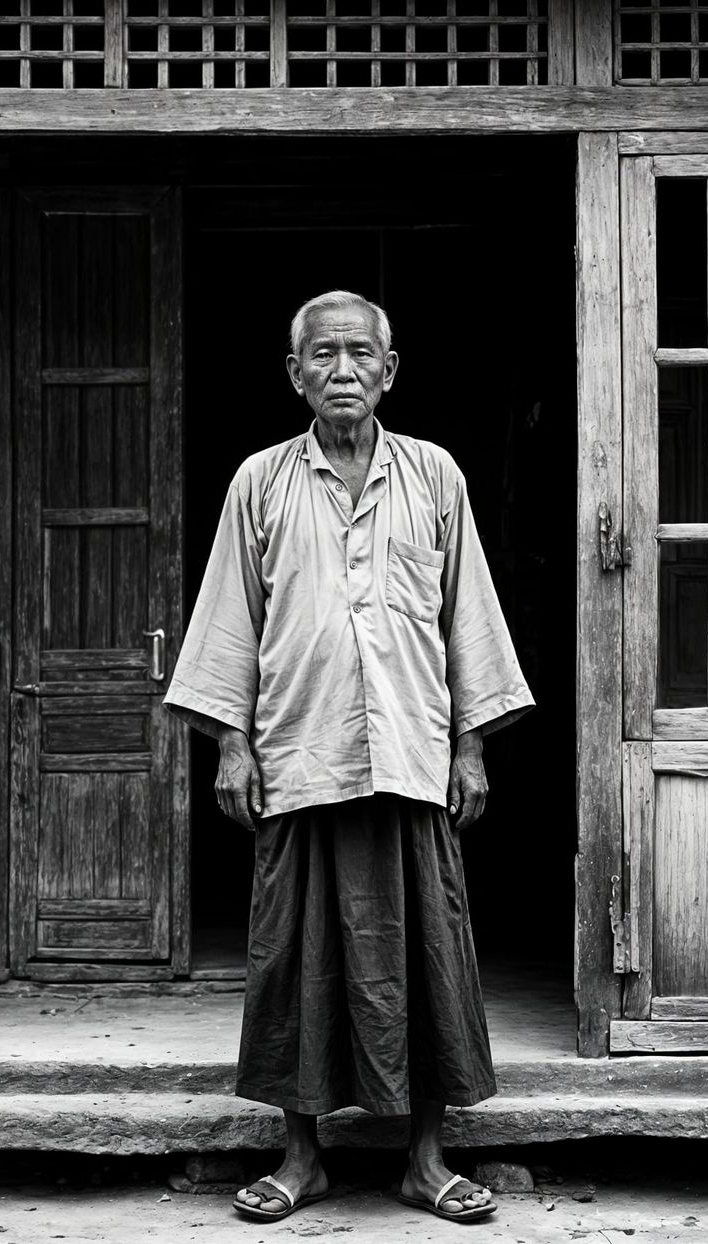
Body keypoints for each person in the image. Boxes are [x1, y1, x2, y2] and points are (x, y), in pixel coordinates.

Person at [164, 290, 533, 1225]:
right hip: (301, 754)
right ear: (294, 375)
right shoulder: (261, 481)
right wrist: (232, 748)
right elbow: (227, 622)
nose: (341, 370)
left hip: (412, 751)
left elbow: (470, 618)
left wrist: (473, 748)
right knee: (297, 962)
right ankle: (301, 1157)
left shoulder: (435, 476)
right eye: (321, 356)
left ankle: (426, 1157)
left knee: (429, 959)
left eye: (358, 354)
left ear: (389, 369)